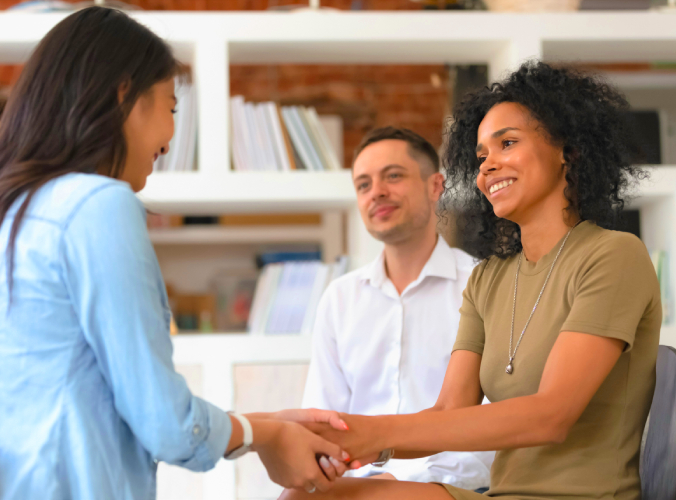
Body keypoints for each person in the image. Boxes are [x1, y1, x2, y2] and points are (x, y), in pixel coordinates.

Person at [0, 8, 349, 499]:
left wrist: (259, 425)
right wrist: (266, 435)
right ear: (123, 93)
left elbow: (103, 399)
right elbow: (166, 425)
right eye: (171, 108)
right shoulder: (97, 205)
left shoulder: (14, 208)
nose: (171, 139)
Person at [280, 61, 661, 500]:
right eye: (480, 156)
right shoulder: (487, 279)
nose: (488, 167)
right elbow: (447, 411)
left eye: (508, 144)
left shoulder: (613, 255)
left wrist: (373, 433)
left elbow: (551, 416)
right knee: (305, 495)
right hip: (495, 495)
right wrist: (354, 447)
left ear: (568, 151)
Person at [301, 127, 493, 488]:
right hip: (353, 490)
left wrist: (394, 483)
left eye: (393, 176)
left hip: (450, 488)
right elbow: (323, 421)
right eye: (363, 185)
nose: (377, 192)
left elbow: (491, 428)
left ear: (436, 186)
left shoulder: (481, 285)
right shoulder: (339, 298)